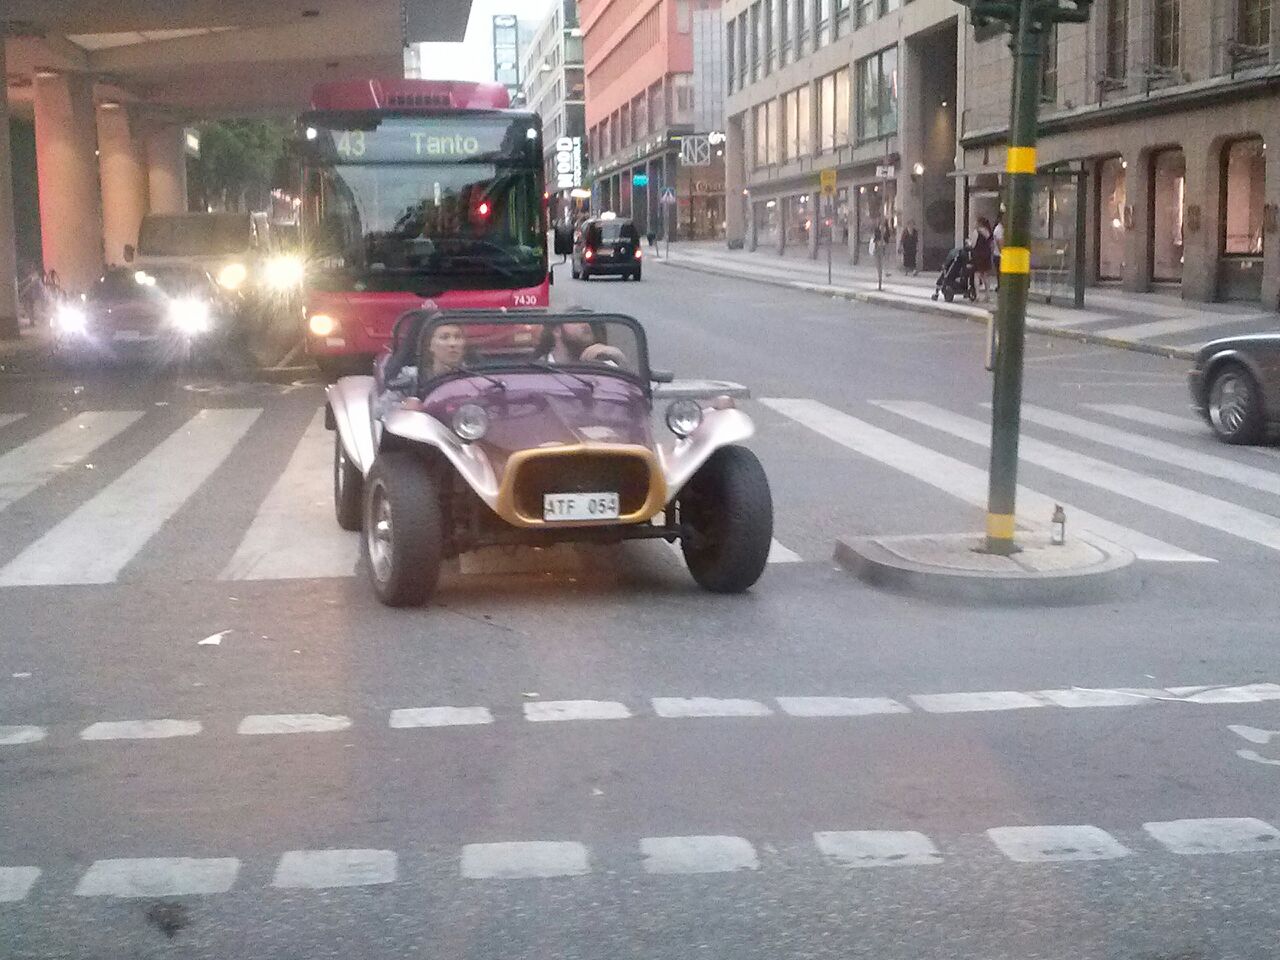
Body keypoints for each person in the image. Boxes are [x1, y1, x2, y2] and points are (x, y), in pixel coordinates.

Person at [971, 217, 996, 302]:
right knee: (985, 275)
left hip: (978, 255)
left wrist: (969, 243)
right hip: (987, 255)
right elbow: (992, 245)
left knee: (977, 274)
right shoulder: (988, 232)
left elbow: (973, 245)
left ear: (978, 223)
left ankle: (977, 295)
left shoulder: (976, 232)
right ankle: (987, 295)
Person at [870, 217, 892, 291]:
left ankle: (884, 273)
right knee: (878, 265)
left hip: (884, 249)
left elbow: (888, 239)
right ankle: (880, 278)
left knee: (884, 261)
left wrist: (884, 243)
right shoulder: (876, 230)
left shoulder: (887, 231)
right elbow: (875, 239)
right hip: (877, 249)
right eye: (880, 223)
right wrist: (878, 242)